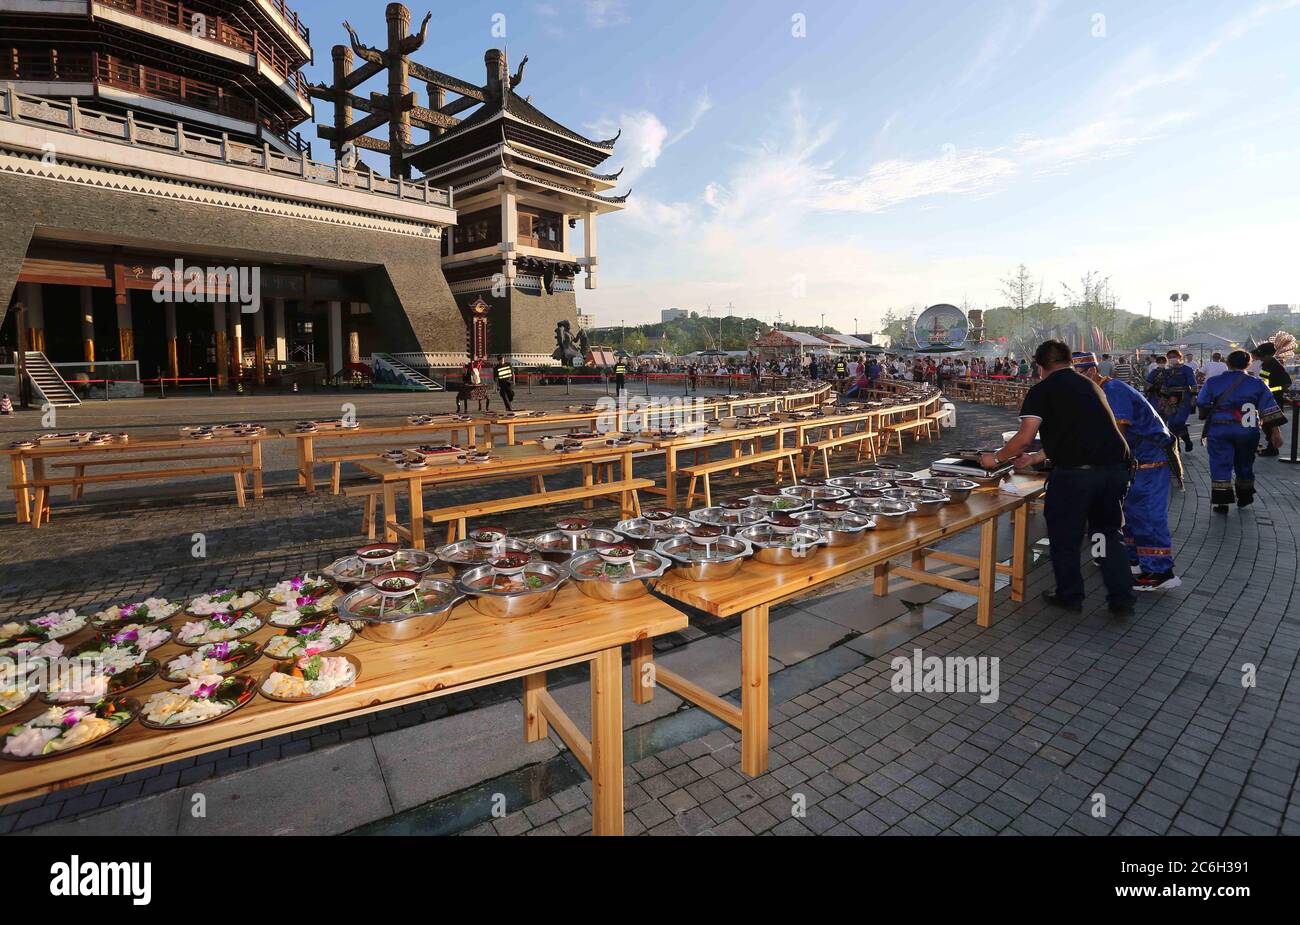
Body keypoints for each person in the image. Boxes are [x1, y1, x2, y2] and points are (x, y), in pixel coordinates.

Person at [981, 339, 1135, 615]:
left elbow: (1025, 438)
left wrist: (996, 459)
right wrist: (1038, 459)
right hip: (1114, 470)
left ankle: (1070, 594)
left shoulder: (1043, 389)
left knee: (1065, 537)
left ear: (1040, 367)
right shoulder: (1090, 386)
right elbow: (1080, 430)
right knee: (1107, 534)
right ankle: (1121, 597)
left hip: (1076, 476)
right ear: (1070, 361)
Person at [1074, 352, 1180, 592]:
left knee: (1148, 515)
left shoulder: (1113, 390)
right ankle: (1135, 561)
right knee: (1131, 513)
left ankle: (1161, 572)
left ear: (1091, 371)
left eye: (1078, 378)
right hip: (1133, 463)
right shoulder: (1095, 392)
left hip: (1149, 461)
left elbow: (1118, 431)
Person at [1198, 351, 1285, 510]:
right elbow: (1269, 408)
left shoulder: (1213, 382)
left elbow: (1202, 402)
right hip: (1248, 429)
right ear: (1248, 364)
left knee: (1220, 463)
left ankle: (1222, 501)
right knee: (1245, 462)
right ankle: (1245, 496)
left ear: (1228, 363)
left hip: (1220, 429)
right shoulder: (1258, 383)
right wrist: (1276, 432)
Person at [1250, 342, 1291, 456]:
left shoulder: (1275, 366)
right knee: (1266, 425)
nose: (1261, 358)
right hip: (1265, 399)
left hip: (1274, 400)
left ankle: (1273, 449)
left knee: (1270, 424)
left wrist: (1272, 390)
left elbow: (1287, 383)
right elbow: (1264, 381)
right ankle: (1271, 447)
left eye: (1262, 356)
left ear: (1269, 355)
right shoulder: (1266, 364)